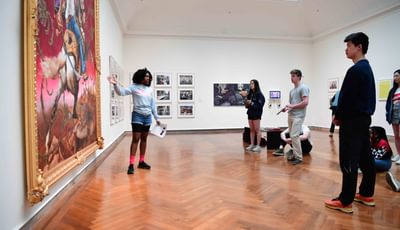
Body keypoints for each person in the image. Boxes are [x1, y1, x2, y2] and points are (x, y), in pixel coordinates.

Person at [325, 32, 376, 214]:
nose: (346, 49)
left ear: (359, 46)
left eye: (349, 46)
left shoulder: (355, 70)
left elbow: (347, 99)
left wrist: (337, 115)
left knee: (348, 159)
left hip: (352, 121)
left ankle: (345, 200)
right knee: (365, 157)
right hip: (363, 120)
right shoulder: (367, 68)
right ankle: (366, 194)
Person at [108, 68, 161, 174]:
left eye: (149, 76)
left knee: (144, 139)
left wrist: (157, 118)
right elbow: (121, 92)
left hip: (148, 116)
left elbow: (153, 105)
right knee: (136, 139)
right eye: (146, 76)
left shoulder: (149, 89)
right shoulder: (133, 87)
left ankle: (141, 162)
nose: (148, 78)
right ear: (140, 77)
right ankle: (131, 164)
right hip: (137, 115)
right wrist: (114, 85)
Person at [281, 69, 310, 165]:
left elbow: (305, 102)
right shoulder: (292, 91)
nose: (291, 78)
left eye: (293, 76)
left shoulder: (303, 88)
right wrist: (286, 108)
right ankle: (294, 154)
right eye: (291, 76)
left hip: (299, 116)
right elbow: (291, 104)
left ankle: (299, 157)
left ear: (299, 77)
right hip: (291, 115)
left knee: (294, 135)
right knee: (292, 136)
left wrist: (292, 106)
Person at [240, 79, 265, 152]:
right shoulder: (250, 94)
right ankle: (252, 144)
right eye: (250, 84)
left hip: (256, 114)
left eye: (252, 84)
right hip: (250, 113)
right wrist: (244, 98)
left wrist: (252, 103)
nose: (251, 85)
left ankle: (258, 146)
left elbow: (260, 106)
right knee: (251, 130)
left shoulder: (259, 95)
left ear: (256, 85)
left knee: (257, 130)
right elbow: (247, 104)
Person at [385, 69, 400, 164]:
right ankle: (398, 154)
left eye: (397, 76)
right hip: (394, 114)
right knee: (396, 136)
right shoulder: (393, 90)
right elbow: (388, 103)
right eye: (394, 76)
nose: (395, 78)